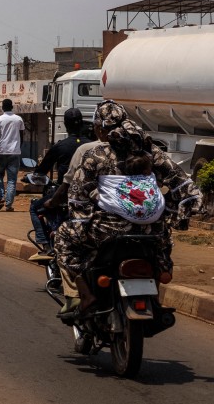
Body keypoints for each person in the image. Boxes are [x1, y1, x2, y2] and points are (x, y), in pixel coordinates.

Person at [53, 100, 199, 320]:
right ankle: (155, 300)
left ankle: (85, 295)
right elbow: (183, 184)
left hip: (107, 230)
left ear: (101, 128)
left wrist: (82, 220)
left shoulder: (95, 155)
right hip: (152, 231)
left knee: (63, 237)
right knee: (162, 250)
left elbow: (78, 195)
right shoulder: (152, 151)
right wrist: (171, 210)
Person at [28, 107, 88, 254]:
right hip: (88, 194)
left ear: (66, 125)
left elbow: (41, 170)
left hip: (64, 193)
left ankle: (45, 246)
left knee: (34, 208)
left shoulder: (60, 146)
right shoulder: (92, 145)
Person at [0, 99, 25, 211]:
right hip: (14, 152)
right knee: (12, 180)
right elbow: (22, 136)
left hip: (1, 151)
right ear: (12, 107)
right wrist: (18, 147)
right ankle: (8, 205)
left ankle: (1, 197)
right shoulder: (19, 119)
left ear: (2, 107)